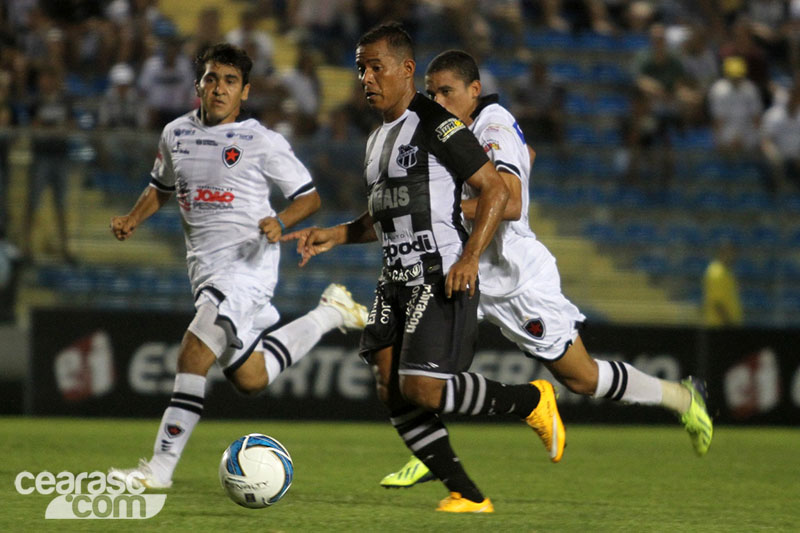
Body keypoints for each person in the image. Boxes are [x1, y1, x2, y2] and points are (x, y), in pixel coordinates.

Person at [378, 49, 714, 490]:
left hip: (514, 277)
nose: (437, 100)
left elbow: (511, 202)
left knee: (582, 377)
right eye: (430, 92)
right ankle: (433, 453)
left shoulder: (491, 123)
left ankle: (681, 397)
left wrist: (443, 210)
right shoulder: (449, 132)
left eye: (447, 91)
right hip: (462, 270)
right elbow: (526, 153)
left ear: (473, 91)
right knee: (409, 366)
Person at [283, 23, 565, 514]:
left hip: (438, 274)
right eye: (360, 69)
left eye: (375, 67)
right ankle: (467, 494)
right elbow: (388, 213)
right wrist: (337, 233)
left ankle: (531, 402)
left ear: (406, 69)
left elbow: (496, 191)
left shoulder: (437, 122)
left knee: (422, 389)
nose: (366, 78)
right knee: (391, 388)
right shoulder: (376, 140)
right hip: (394, 278)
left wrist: (470, 257)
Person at [108, 43, 368, 489]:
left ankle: (160, 469)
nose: (219, 88)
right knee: (250, 378)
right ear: (198, 85)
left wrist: (280, 221)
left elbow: (310, 198)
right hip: (206, 271)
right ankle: (331, 312)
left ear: (244, 91)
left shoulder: (260, 140)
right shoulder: (175, 134)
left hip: (247, 268)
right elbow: (161, 186)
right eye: (212, 78)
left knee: (193, 351)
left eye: (230, 81)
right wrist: (134, 217)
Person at [702, 241, 743, 327]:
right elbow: (717, 303)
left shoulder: (726, 271)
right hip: (720, 324)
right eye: (730, 253)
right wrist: (728, 323)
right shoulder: (717, 272)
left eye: (734, 253)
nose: (733, 256)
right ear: (721, 253)